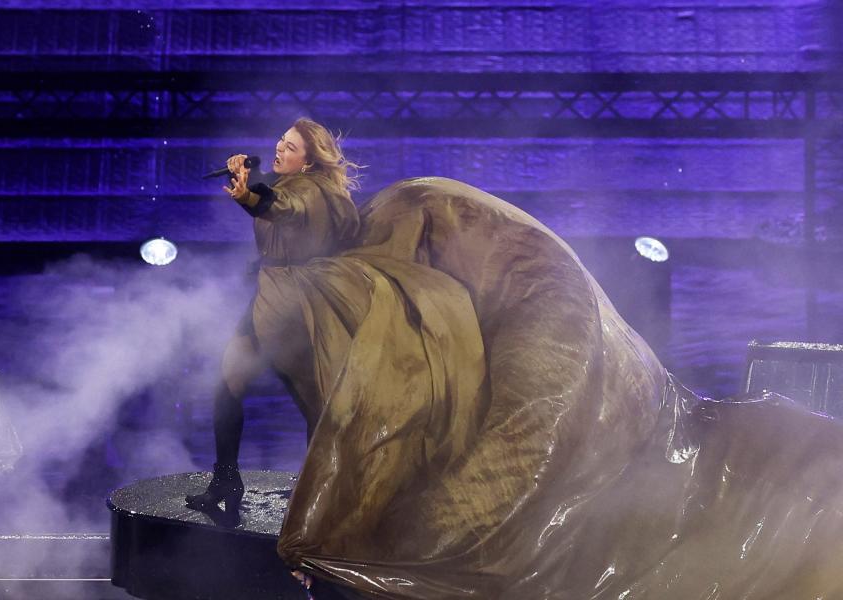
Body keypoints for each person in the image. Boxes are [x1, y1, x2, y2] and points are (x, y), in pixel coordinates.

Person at [189, 118, 843, 599]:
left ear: (312, 156)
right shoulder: (314, 199)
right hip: (288, 295)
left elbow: (290, 209)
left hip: (329, 299)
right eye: (278, 145)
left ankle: (290, 496)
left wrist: (250, 193)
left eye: (290, 146)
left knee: (317, 396)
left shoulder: (318, 196)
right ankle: (229, 476)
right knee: (256, 383)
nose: (279, 151)